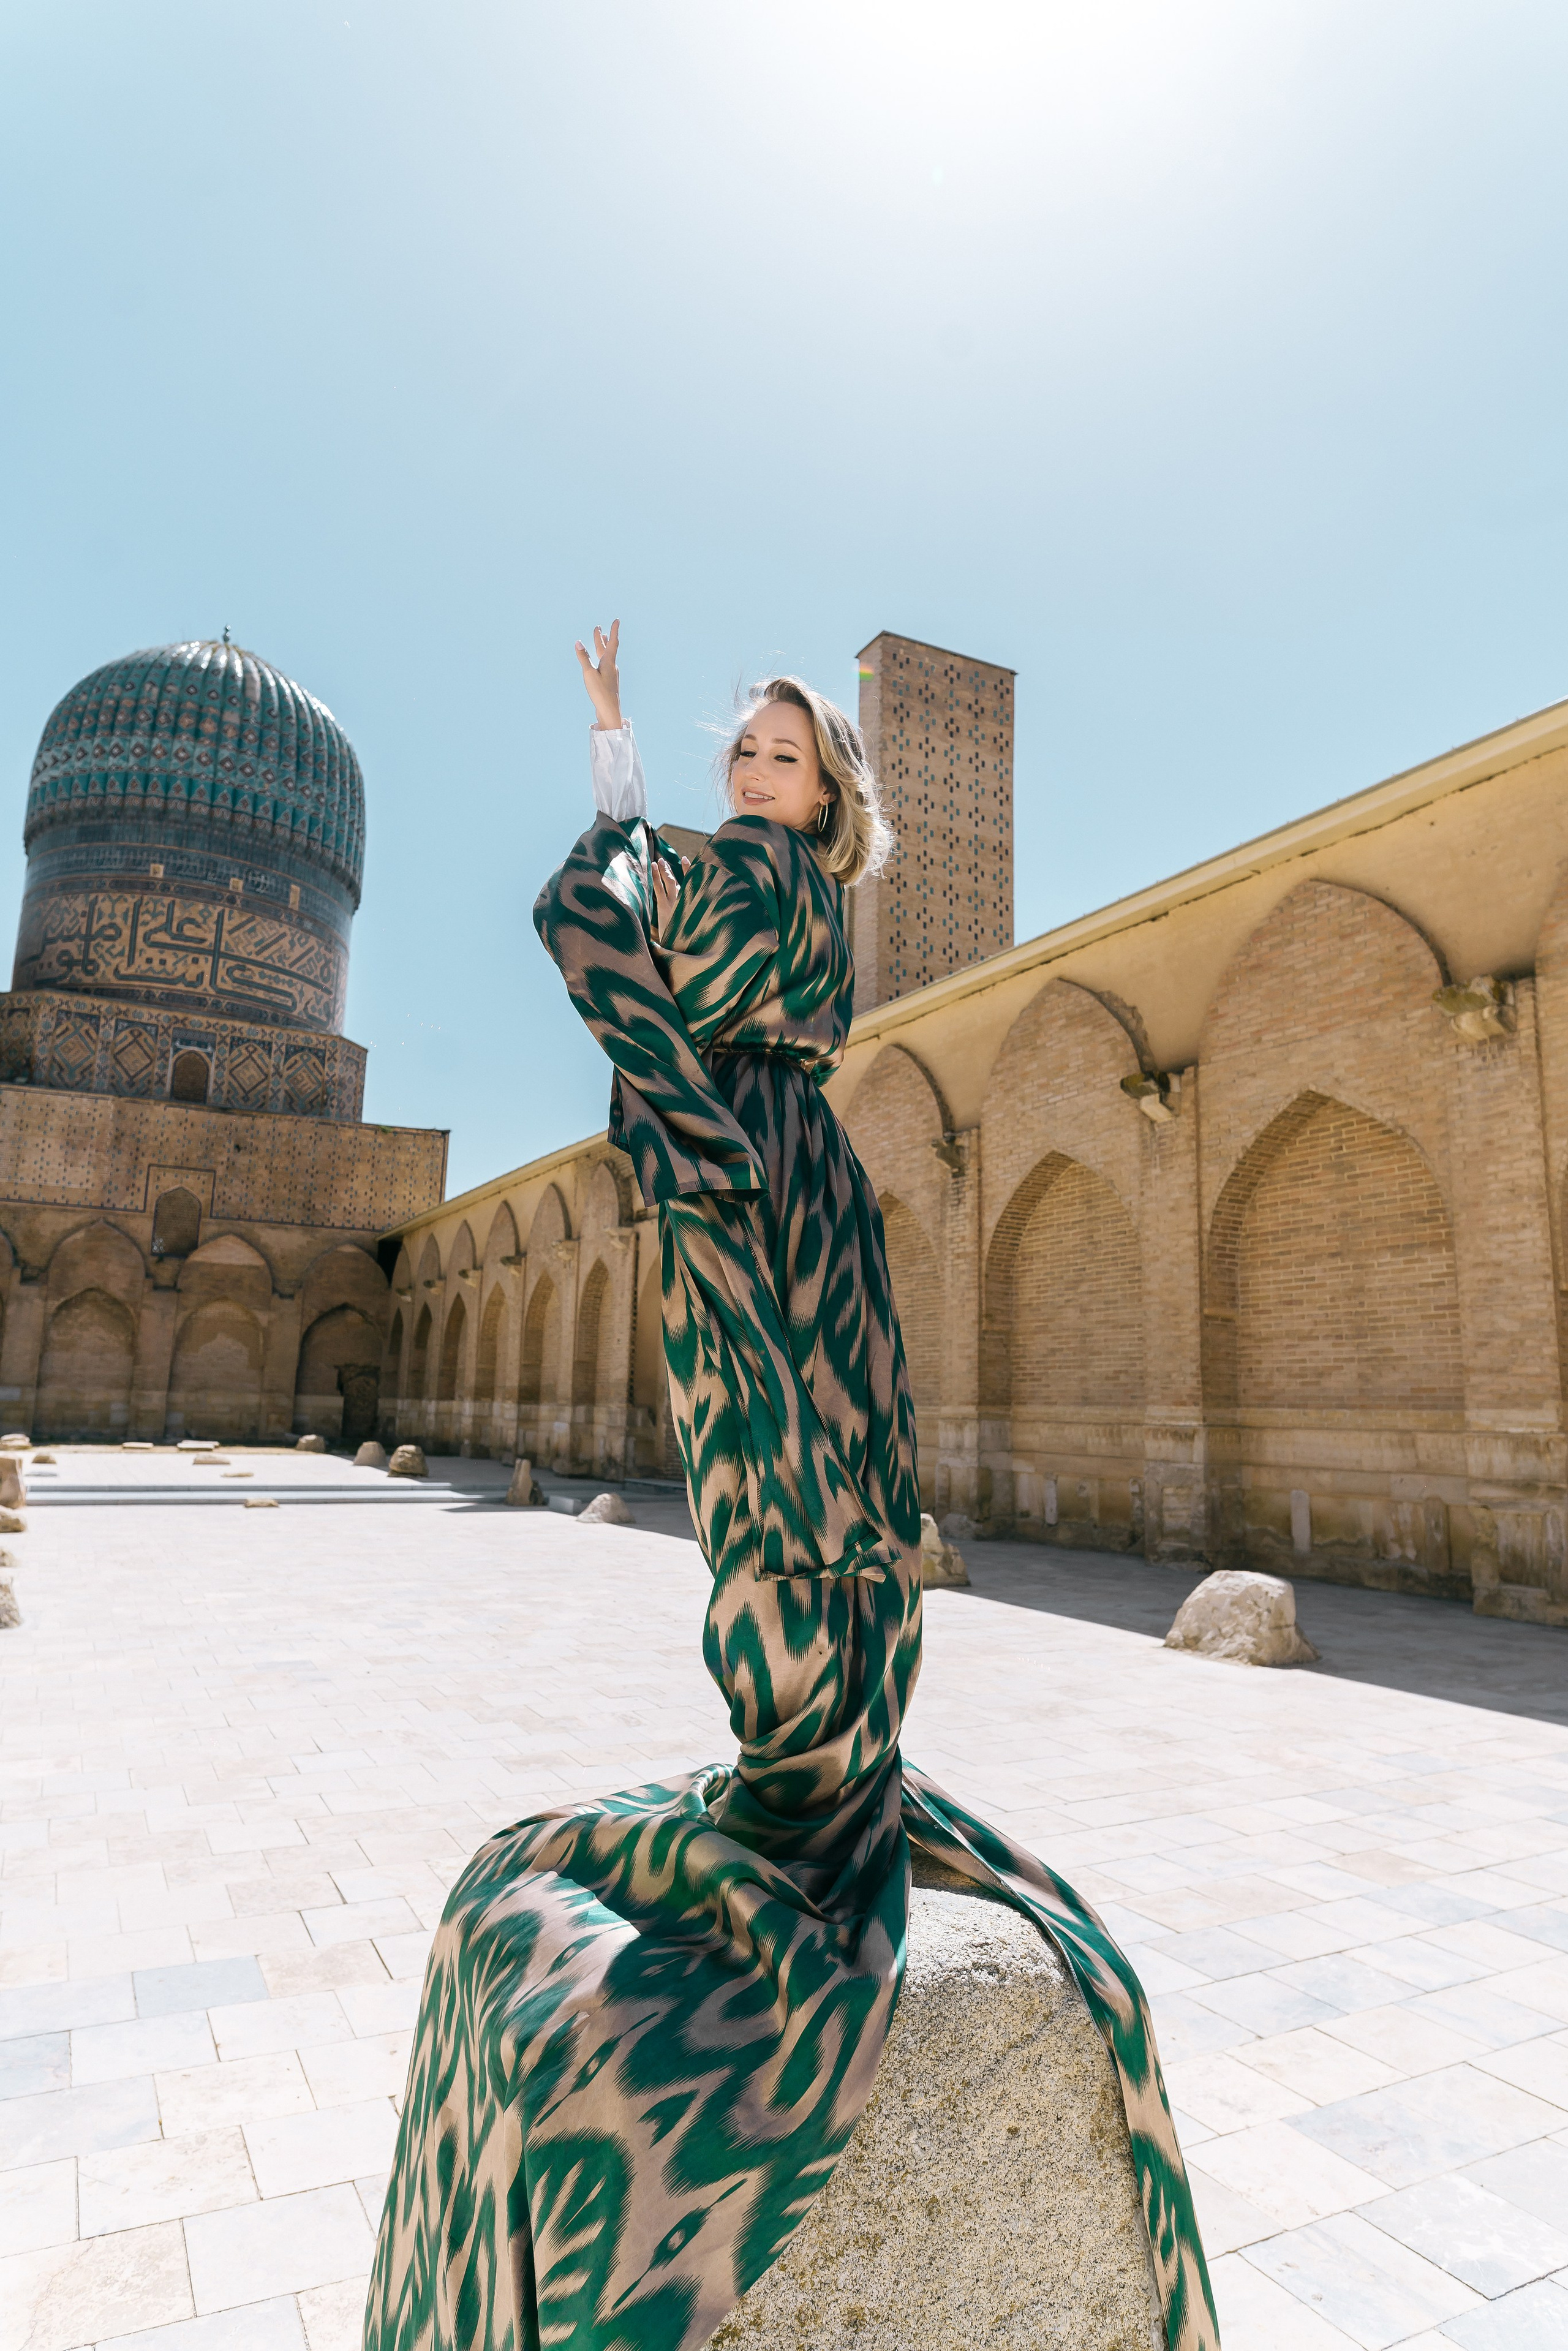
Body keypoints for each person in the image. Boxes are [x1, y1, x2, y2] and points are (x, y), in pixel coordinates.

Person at [363, 626, 1218, 2351]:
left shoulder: (778, 886)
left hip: (761, 1180)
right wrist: (619, 759)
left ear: (829, 786)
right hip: (776, 1177)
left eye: (778, 755)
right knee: (813, 1478)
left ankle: (817, 1778)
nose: (749, 774)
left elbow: (588, 906)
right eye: (736, 754)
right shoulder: (792, 897)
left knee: (809, 1477)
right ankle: (822, 1769)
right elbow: (605, 910)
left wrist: (669, 1103)